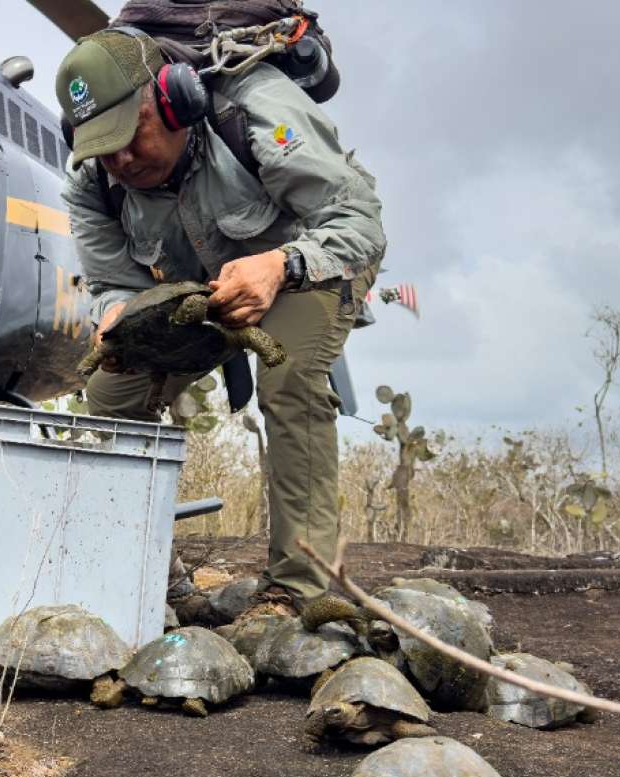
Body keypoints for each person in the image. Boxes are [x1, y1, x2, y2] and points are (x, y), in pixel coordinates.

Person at [57, 29, 386, 620]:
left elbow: (358, 218)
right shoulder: (93, 188)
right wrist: (115, 318)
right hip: (196, 296)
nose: (121, 161)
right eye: (102, 148)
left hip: (308, 265)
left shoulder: (254, 111)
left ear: (173, 101)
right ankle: (144, 575)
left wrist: (281, 265)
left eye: (129, 137)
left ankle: (298, 591)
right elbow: (114, 286)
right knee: (108, 396)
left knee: (290, 380)